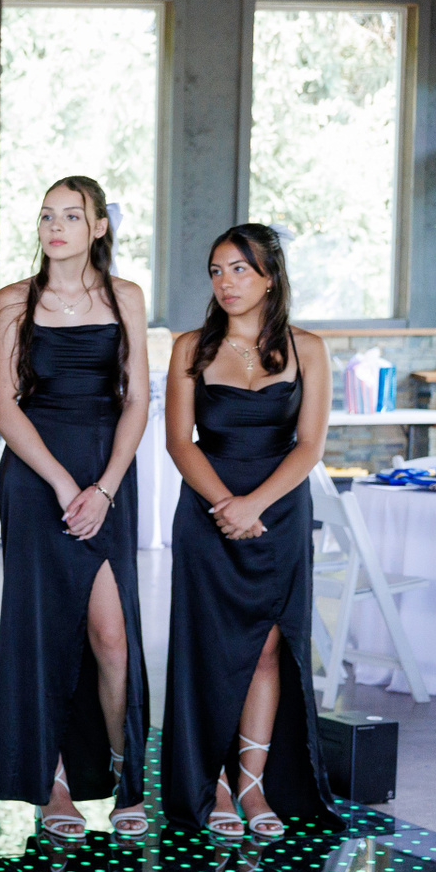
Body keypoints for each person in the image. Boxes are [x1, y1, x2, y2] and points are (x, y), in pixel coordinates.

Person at [0, 176, 150, 842]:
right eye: (47, 215)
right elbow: (3, 407)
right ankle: (51, 782)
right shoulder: (15, 300)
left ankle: (122, 775)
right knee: (42, 633)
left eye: (72, 216)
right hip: (36, 479)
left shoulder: (125, 297)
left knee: (111, 635)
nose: (56, 227)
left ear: (100, 227)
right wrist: (60, 484)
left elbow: (137, 400)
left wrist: (104, 487)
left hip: (108, 471)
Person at [162, 224, 336, 838]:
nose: (226, 282)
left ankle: (252, 784)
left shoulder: (308, 349)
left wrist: (255, 504)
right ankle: (210, 783)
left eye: (239, 269)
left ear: (269, 277)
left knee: (266, 647)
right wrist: (226, 505)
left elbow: (310, 445)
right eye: (217, 271)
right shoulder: (190, 348)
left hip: (279, 513)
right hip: (208, 512)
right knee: (209, 648)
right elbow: (179, 441)